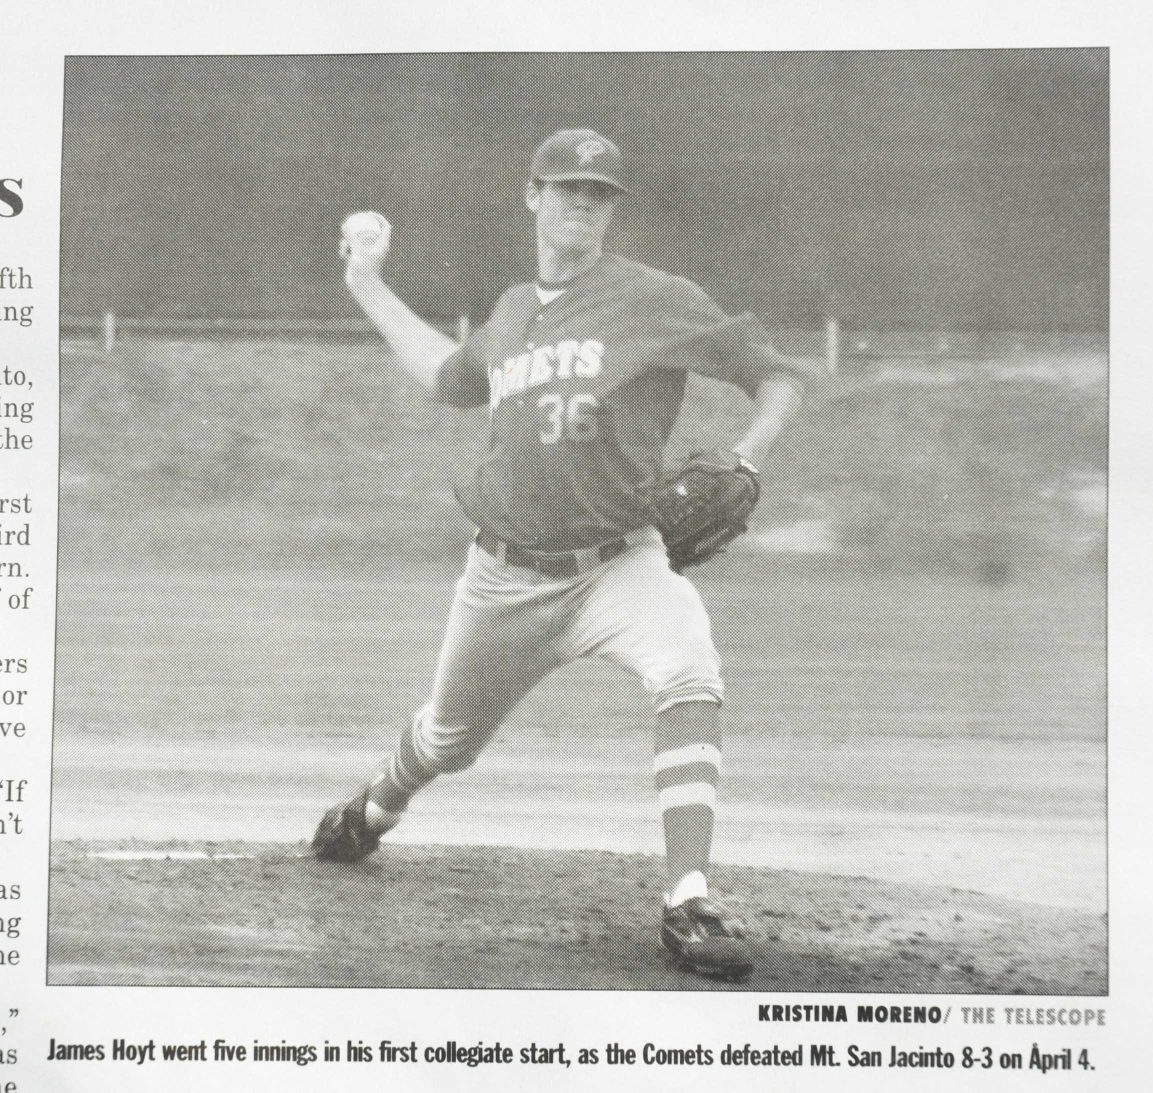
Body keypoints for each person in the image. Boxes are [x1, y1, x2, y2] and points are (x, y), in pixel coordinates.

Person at [314, 129, 811, 982]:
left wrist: (748, 456)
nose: (584, 201)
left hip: (621, 564)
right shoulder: (512, 312)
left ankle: (687, 898)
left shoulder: (656, 299)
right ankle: (375, 807)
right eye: (569, 186)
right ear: (533, 195)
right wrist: (367, 284)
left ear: (612, 209)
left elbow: (778, 376)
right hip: (503, 577)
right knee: (445, 740)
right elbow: (448, 377)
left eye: (601, 191)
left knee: (689, 670)